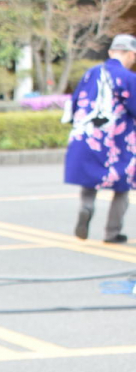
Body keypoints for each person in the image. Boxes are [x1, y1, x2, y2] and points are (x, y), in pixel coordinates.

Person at [65, 33, 136, 244]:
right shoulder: (129, 78)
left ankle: (86, 207)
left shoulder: (91, 73)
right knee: (122, 185)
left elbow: (75, 102)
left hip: (88, 137)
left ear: (111, 52)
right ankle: (112, 233)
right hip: (118, 140)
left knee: (90, 179)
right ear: (132, 54)